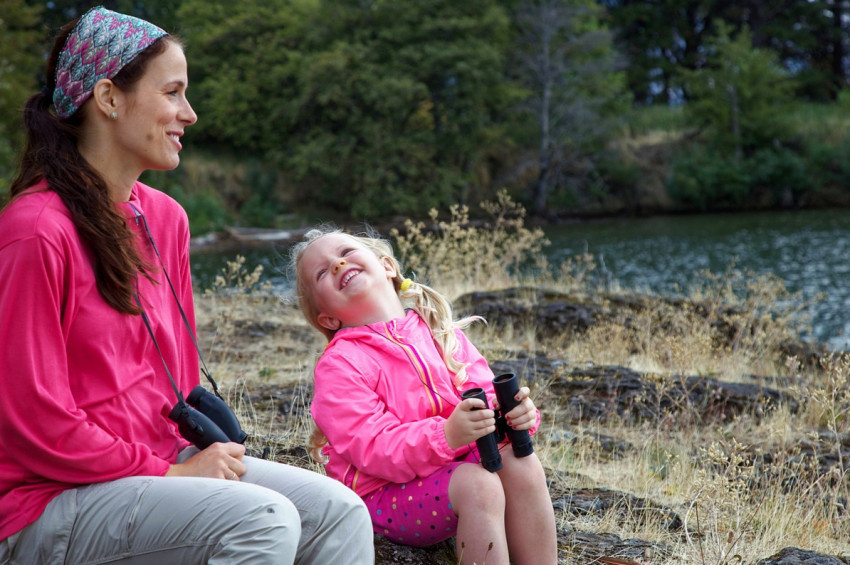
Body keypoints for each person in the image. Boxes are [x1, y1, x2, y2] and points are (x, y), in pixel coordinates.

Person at [0, 7, 373, 564]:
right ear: (109, 98)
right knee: (261, 521)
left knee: (340, 512)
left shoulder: (166, 219)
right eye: (172, 92)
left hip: (157, 467)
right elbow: (32, 420)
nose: (189, 114)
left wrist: (181, 462)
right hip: (47, 500)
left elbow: (170, 384)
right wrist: (170, 473)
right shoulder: (34, 232)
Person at [291, 227, 558, 565]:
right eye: (322, 272)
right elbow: (373, 447)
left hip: (449, 468)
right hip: (383, 494)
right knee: (479, 486)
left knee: (522, 463)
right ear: (328, 317)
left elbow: (486, 396)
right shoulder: (340, 365)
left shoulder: (438, 330)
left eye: (345, 252)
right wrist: (445, 435)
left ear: (386, 266)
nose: (339, 264)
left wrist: (514, 417)